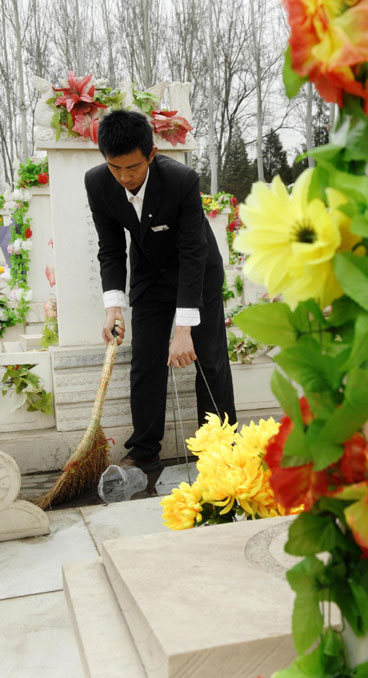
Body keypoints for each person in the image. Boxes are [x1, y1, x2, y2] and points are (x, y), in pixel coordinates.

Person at [85, 109, 236, 471]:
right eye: (115, 168)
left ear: (151, 154)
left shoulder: (181, 180)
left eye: (132, 168)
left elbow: (192, 251)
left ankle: (219, 448)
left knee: (210, 357)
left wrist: (183, 330)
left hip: (197, 271)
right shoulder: (97, 183)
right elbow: (110, 247)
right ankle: (144, 449)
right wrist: (113, 307)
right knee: (146, 359)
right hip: (149, 276)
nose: (124, 177)